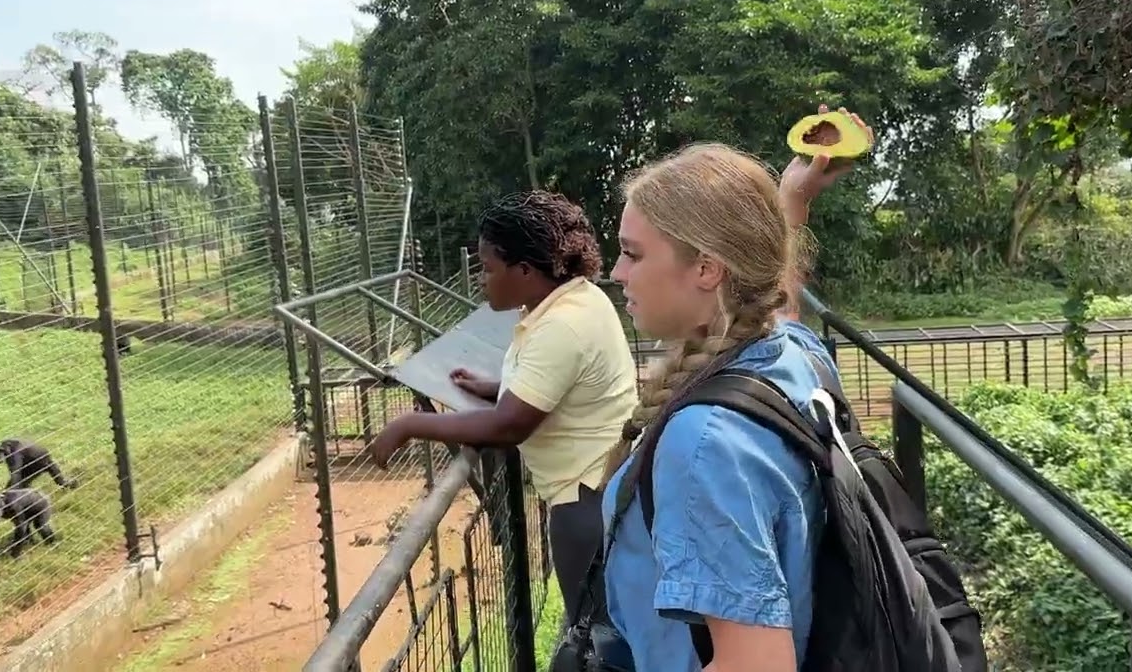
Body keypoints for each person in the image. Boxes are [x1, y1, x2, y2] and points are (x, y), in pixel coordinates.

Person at [600, 107, 872, 672]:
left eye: (632, 253)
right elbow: (779, 300)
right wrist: (792, 199)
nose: (618, 272)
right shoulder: (794, 353)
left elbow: (757, 664)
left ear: (707, 269)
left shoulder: (703, 443)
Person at [367, 189, 638, 625]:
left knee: (594, 634)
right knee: (598, 626)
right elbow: (554, 385)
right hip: (597, 485)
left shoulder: (562, 325)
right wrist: (497, 388)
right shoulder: (578, 299)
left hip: (584, 501)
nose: (481, 279)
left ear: (525, 270)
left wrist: (410, 424)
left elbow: (510, 426)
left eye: (488, 268)